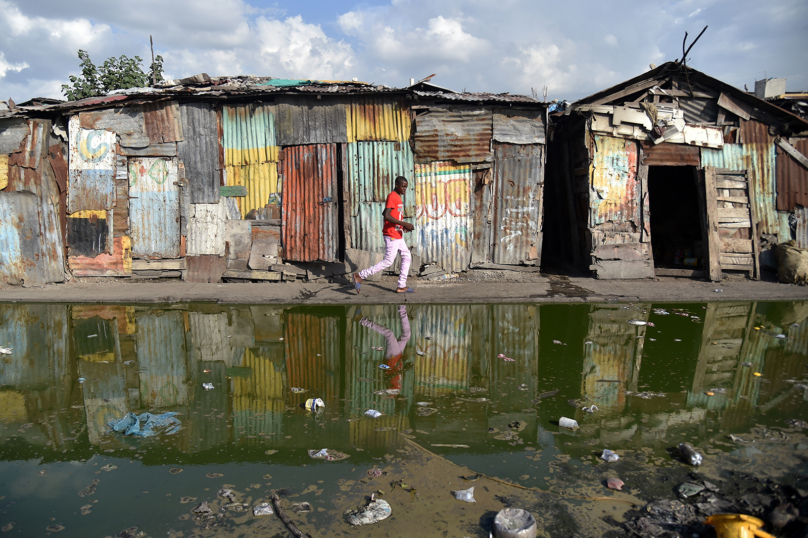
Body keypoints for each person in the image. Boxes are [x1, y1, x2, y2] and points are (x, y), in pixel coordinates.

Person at [353, 176, 415, 293]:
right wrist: (404, 223)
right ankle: (360, 275)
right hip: (391, 235)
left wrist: (402, 227)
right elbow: (386, 215)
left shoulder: (397, 197)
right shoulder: (392, 196)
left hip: (397, 233)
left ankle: (401, 285)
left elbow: (386, 212)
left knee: (407, 255)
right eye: (403, 186)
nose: (404, 189)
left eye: (406, 187)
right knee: (388, 261)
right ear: (396, 185)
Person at [354, 305, 411, 392]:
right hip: (398, 356)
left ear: (398, 404)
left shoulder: (392, 392)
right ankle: (402, 307)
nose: (404, 402)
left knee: (389, 334)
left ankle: (361, 320)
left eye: (402, 404)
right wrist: (403, 360)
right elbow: (396, 369)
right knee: (406, 335)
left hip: (391, 357)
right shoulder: (399, 389)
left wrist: (402, 371)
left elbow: (387, 378)